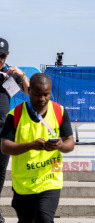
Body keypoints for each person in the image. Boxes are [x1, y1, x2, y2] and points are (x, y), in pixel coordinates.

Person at [0, 73, 74, 223]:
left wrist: (60, 145)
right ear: (29, 92)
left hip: (50, 180)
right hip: (24, 184)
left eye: (46, 94)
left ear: (51, 92)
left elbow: (70, 143)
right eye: (37, 95)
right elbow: (5, 147)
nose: (42, 99)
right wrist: (31, 145)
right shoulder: (15, 115)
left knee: (44, 218)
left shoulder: (60, 111)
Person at [0, 38, 29, 223]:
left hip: (3, 130)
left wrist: (22, 74)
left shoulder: (9, 75)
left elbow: (29, 91)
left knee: (0, 172)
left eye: (2, 56)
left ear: (7, 55)